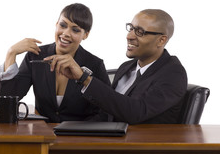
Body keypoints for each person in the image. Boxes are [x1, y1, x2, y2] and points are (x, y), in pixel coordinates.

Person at [45, 9, 187, 124]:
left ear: (161, 40)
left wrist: (85, 78)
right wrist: (67, 129)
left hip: (137, 152)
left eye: (139, 32)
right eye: (131, 28)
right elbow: (106, 113)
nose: (129, 36)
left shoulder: (173, 74)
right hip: (109, 140)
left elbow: (135, 112)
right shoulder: (127, 67)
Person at [0, 3, 110, 122]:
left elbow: (106, 112)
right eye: (63, 25)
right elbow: (7, 101)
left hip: (78, 137)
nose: (66, 33)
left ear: (85, 35)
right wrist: (11, 53)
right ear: (56, 24)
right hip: (43, 135)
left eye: (75, 30)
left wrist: (78, 133)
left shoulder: (95, 65)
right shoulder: (35, 56)